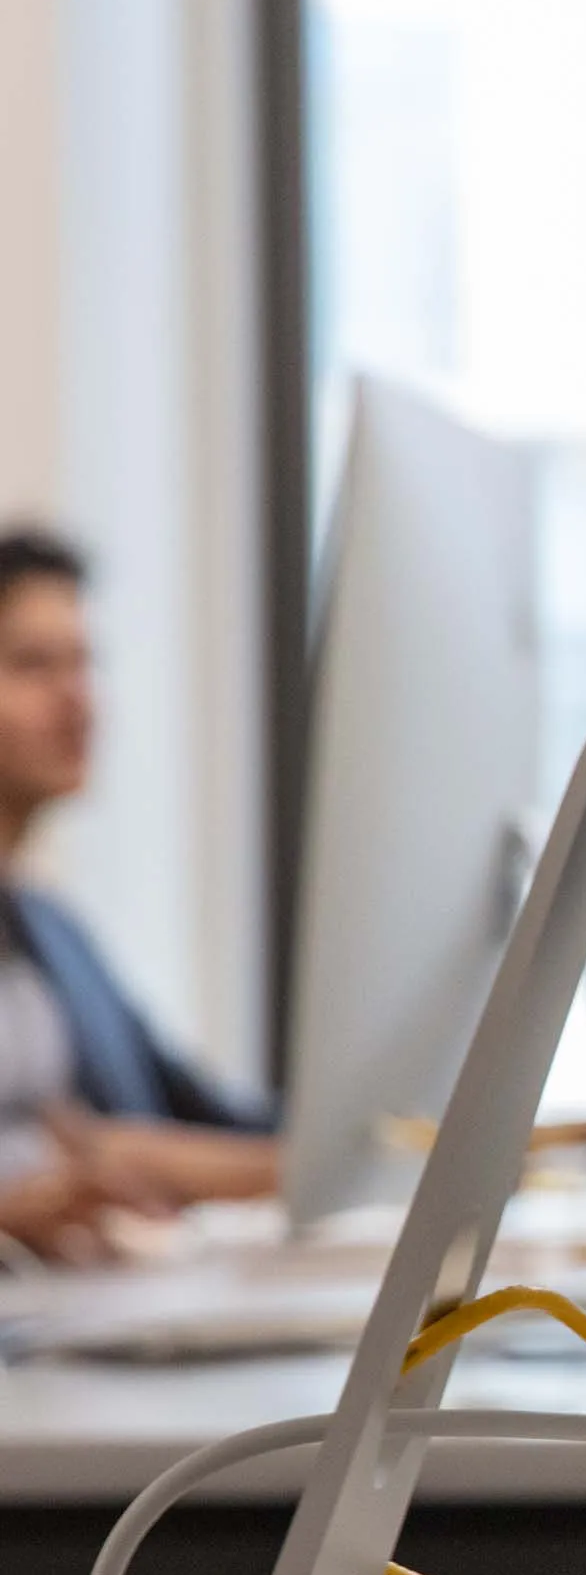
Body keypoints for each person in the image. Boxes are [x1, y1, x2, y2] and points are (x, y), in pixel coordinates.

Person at [0, 528, 276, 1255]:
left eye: (84, 663)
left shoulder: (49, 930)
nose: (79, 700)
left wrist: (417, 1139)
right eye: (33, 665)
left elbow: (201, 1117)